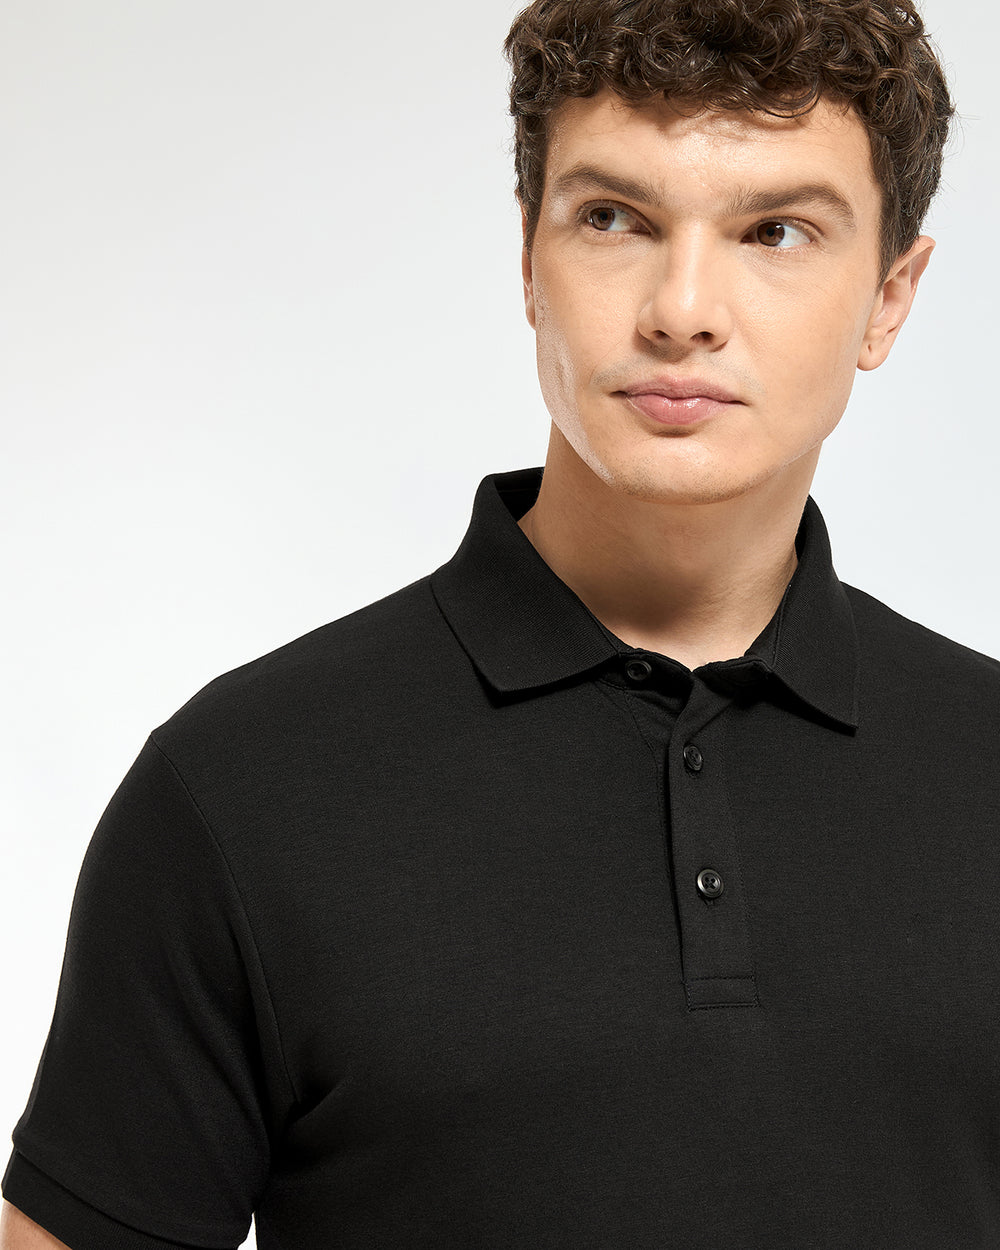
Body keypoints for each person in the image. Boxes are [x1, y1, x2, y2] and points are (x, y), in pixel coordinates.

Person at [2, 0, 996, 1246]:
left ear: (889, 298)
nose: (682, 308)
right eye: (614, 218)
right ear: (529, 261)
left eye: (775, 231)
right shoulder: (239, 788)